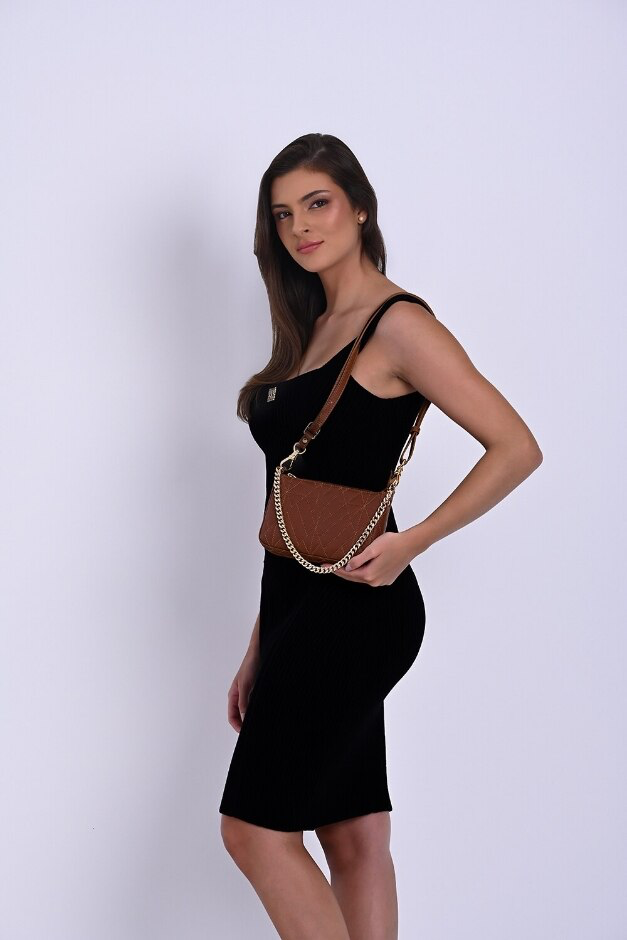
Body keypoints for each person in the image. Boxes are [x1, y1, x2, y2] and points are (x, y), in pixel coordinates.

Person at [218, 132, 543, 940]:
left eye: (317, 204)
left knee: (253, 832)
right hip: (298, 606)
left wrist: (415, 540)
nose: (300, 226)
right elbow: (289, 509)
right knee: (353, 834)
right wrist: (261, 642)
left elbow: (515, 446)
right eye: (282, 214)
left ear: (360, 208)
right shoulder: (314, 326)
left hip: (359, 608)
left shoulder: (398, 326)